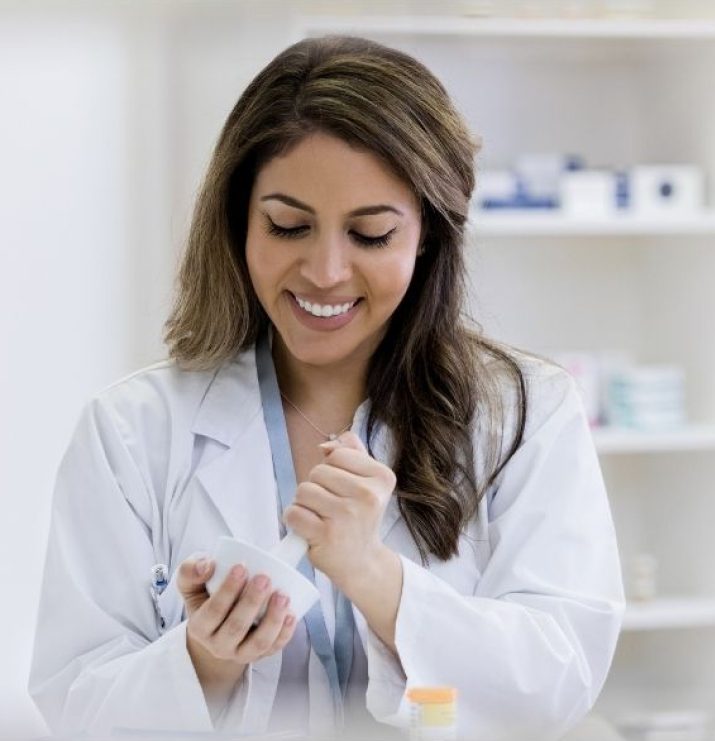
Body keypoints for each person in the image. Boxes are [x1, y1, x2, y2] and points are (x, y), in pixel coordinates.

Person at [29, 35, 624, 740]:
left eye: (370, 234)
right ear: (238, 221)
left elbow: (557, 679)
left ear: (428, 236)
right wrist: (202, 660)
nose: (326, 271)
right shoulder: (131, 432)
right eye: (288, 226)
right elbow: (74, 702)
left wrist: (374, 575)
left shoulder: (523, 413)